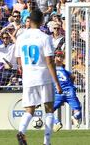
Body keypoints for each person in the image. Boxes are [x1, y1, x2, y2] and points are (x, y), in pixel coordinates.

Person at [15, 9, 62, 145]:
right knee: (49, 109)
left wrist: (26, 72)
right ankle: (47, 142)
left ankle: (21, 132)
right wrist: (57, 83)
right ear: (41, 21)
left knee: (29, 109)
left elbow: (19, 61)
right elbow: (49, 61)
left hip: (28, 77)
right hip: (43, 77)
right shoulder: (45, 37)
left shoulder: (21, 37)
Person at [52, 51, 82, 132]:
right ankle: (74, 117)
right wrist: (71, 85)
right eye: (59, 56)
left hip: (59, 92)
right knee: (78, 111)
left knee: (49, 110)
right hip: (69, 91)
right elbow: (73, 76)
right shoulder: (64, 70)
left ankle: (56, 122)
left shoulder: (51, 69)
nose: (60, 58)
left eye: (61, 56)